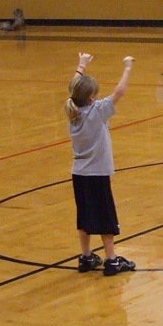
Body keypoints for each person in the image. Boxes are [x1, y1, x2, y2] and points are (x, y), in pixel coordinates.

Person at [65, 52, 137, 276]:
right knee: (105, 216)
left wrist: (81, 65)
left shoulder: (72, 111)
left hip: (79, 174)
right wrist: (127, 67)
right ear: (90, 99)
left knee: (84, 216)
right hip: (97, 174)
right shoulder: (96, 112)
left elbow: (73, 88)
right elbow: (119, 92)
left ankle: (86, 257)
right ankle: (112, 260)